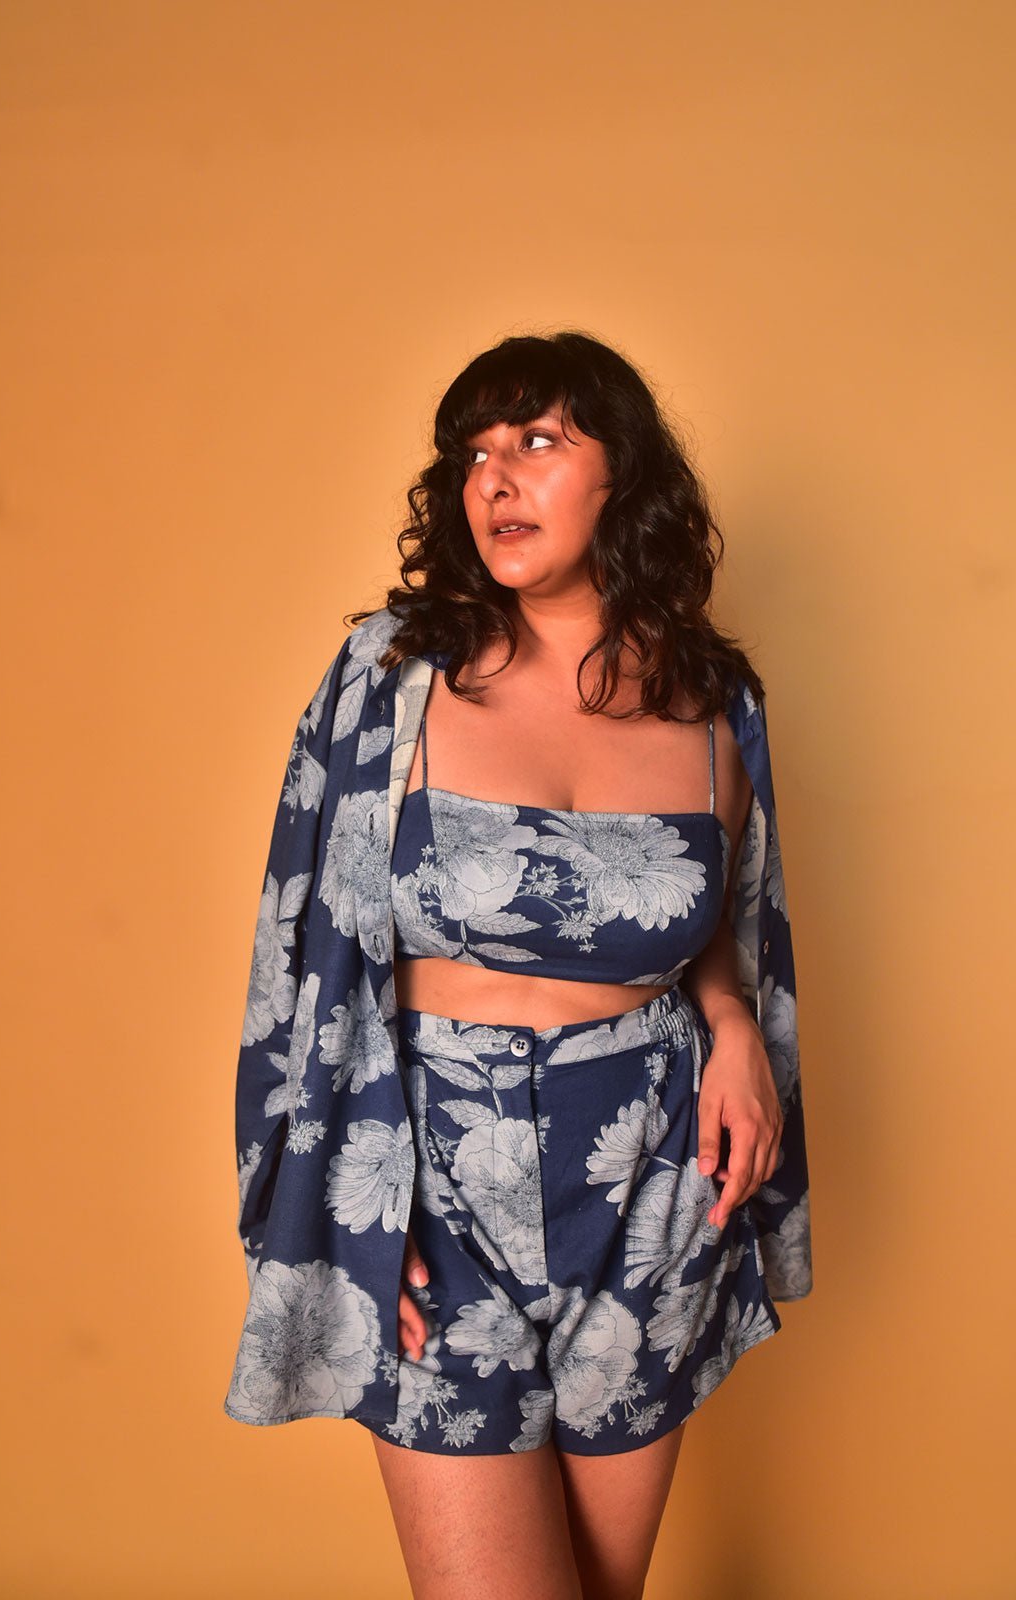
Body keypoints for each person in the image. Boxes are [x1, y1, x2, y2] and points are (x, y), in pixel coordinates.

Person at [224, 330, 812, 1600]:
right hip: (432, 1168)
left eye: (537, 441)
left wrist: (731, 1027)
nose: (494, 478)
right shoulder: (392, 674)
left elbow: (718, 915)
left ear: (624, 473)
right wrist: (344, 1198)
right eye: (475, 452)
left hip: (653, 1175)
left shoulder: (716, 698)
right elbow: (303, 945)